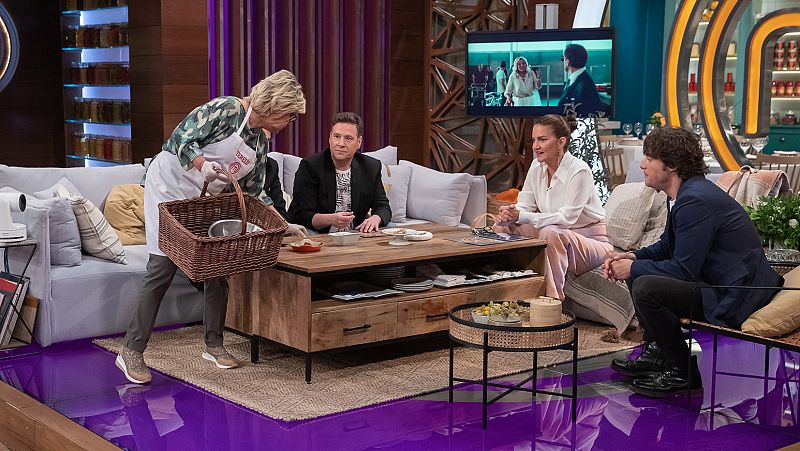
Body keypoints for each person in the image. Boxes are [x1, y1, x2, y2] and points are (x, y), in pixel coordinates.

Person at [115, 70, 308, 385]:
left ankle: (214, 344)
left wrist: (282, 224)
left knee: (218, 265)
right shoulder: (227, 110)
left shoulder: (258, 142)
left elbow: (255, 191)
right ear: (273, 106)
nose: (288, 123)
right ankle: (131, 351)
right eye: (288, 115)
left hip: (202, 198)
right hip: (167, 187)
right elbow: (180, 138)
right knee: (161, 268)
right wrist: (202, 164)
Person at [604, 127, 783, 398]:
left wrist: (634, 268)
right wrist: (634, 257)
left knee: (645, 287)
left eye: (650, 158)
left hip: (735, 294)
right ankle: (657, 353)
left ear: (672, 165)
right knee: (637, 272)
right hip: (720, 283)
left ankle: (682, 372)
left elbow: (684, 270)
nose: (642, 164)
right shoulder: (684, 194)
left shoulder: (694, 200)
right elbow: (668, 246)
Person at [493, 114, 612, 300]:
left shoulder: (579, 171)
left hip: (590, 241)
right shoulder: (536, 166)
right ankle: (506, 290)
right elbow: (525, 205)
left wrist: (522, 216)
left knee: (550, 232)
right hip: (557, 233)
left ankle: (552, 301)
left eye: (542, 139)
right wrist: (510, 213)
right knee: (501, 227)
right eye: (534, 140)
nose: (535, 146)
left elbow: (566, 219)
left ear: (560, 142)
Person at [288, 112, 391, 234]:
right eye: (337, 136)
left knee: (392, 228)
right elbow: (301, 215)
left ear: (359, 142)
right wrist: (331, 219)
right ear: (330, 138)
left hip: (356, 232)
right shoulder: (310, 166)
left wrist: (375, 218)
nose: (341, 144)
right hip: (319, 232)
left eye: (348, 138)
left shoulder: (370, 167)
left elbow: (383, 206)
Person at [557, 44, 604, 116]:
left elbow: (587, 117)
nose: (563, 61)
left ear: (567, 62)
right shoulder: (574, 79)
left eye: (563, 59)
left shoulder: (585, 85)